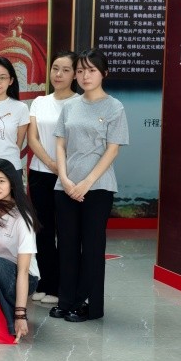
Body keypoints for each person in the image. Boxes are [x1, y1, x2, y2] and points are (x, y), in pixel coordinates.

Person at [50, 49, 128, 323]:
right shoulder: (70, 106)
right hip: (66, 187)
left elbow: (112, 149)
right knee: (67, 246)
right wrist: (65, 178)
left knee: (92, 248)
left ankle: (89, 305)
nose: (85, 76)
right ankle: (66, 300)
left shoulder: (114, 107)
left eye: (91, 70)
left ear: (104, 73)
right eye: (81, 70)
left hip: (98, 188)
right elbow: (60, 144)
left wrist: (86, 182)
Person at [27, 51, 79, 304]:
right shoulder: (39, 101)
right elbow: (32, 138)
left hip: (69, 177)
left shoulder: (79, 103)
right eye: (55, 68)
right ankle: (46, 282)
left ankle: (63, 287)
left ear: (75, 75)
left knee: (66, 232)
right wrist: (50, 163)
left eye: (66, 70)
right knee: (42, 230)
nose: (58, 74)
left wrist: (62, 169)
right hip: (40, 172)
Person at [0, 158, 40, 342]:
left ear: (12, 183)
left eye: (1, 181)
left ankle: (11, 324)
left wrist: (21, 313)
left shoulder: (22, 218)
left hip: (21, 277)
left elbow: (23, 271)